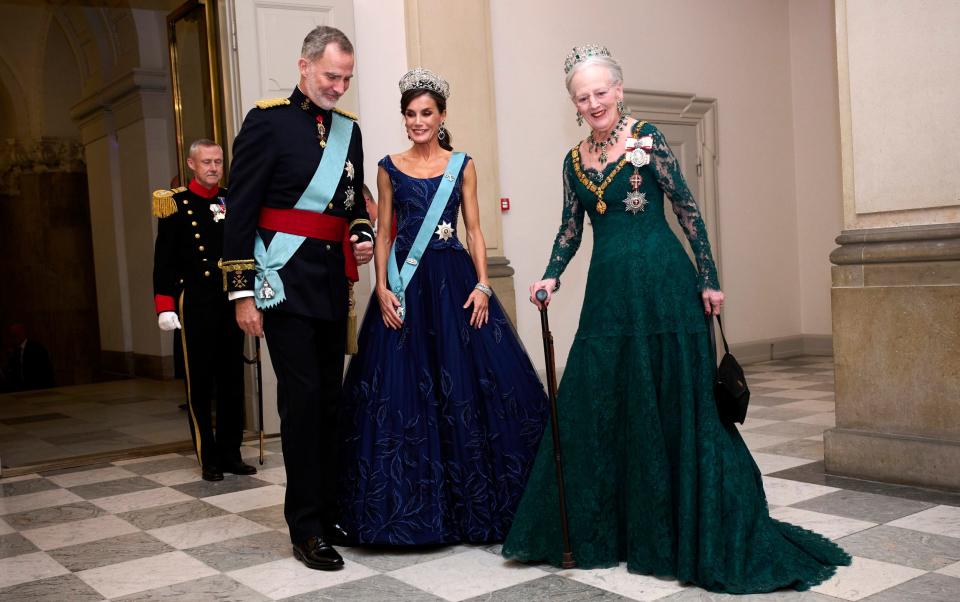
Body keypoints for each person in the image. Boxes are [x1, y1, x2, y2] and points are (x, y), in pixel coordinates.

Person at [501, 46, 850, 593]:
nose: (593, 103)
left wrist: (708, 278)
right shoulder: (573, 162)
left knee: (671, 405)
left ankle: (685, 528)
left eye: (600, 92)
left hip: (666, 293)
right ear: (574, 103)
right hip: (609, 299)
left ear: (618, 90)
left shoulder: (649, 139)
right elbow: (570, 230)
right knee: (602, 401)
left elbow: (687, 208)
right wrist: (550, 276)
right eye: (582, 96)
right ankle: (615, 528)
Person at [336, 68, 549, 546]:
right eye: (410, 114)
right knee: (403, 394)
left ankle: (474, 508)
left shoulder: (463, 164)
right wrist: (381, 289)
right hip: (406, 290)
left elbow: (474, 230)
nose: (417, 122)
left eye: (426, 113)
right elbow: (385, 231)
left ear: (441, 115)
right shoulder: (388, 165)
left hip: (456, 286)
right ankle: (408, 512)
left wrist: (482, 285)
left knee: (469, 391)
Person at [221, 25, 374, 571]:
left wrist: (361, 235)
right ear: (304, 65)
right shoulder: (266, 121)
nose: (339, 87)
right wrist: (243, 293)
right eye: (332, 76)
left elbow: (353, 203)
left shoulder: (349, 132)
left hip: (331, 284)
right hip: (280, 284)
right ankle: (305, 527)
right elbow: (240, 211)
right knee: (303, 403)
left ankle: (329, 511)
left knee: (330, 403)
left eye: (346, 78)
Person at [152, 139, 256, 483]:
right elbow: (163, 261)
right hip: (195, 302)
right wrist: (164, 305)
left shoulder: (232, 199)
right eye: (206, 162)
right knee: (200, 383)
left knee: (231, 380)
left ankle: (231, 452)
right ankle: (207, 456)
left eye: (218, 161)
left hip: (230, 299)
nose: (213, 167)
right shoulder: (174, 204)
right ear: (191, 164)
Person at [2, 324, 54, 391]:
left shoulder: (36, 348)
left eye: (16, 334)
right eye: (12, 335)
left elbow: (44, 370)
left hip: (37, 388)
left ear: (22, 333)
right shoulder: (14, 351)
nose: (13, 338)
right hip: (20, 389)